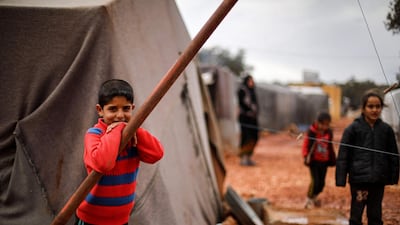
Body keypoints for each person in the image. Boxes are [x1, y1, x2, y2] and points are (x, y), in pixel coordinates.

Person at [75, 79, 164, 225]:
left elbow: (156, 154)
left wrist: (134, 128)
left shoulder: (134, 135)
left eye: (126, 108)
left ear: (132, 108)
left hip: (120, 220)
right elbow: (103, 164)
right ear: (100, 110)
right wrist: (117, 129)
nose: (120, 115)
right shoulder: (94, 134)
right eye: (113, 109)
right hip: (91, 218)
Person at [336, 90, 399, 225]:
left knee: (375, 215)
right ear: (363, 108)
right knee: (356, 215)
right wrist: (341, 178)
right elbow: (343, 155)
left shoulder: (386, 130)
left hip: (378, 180)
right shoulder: (353, 129)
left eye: (378, 106)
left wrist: (393, 177)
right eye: (370, 106)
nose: (375, 110)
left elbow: (393, 154)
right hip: (359, 181)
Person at [302, 112, 336, 209]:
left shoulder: (329, 133)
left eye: (327, 125)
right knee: (315, 181)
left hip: (324, 161)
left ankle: (315, 197)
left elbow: (330, 147)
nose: (324, 127)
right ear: (317, 122)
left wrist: (332, 158)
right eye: (322, 124)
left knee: (321, 183)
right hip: (314, 161)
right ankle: (309, 199)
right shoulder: (311, 132)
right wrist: (305, 156)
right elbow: (306, 144)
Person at [237, 74, 259, 166]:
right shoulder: (242, 90)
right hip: (245, 119)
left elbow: (256, 105)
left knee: (254, 137)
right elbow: (243, 104)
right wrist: (248, 111)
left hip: (253, 119)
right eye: (250, 80)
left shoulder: (252, 91)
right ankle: (243, 158)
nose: (251, 82)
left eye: (252, 80)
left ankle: (249, 157)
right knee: (246, 137)